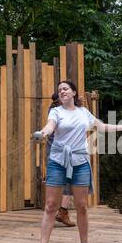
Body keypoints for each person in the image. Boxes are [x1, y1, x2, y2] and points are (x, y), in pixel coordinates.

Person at [31, 80, 122, 243]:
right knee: (50, 206)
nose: (62, 91)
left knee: (81, 206)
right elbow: (50, 126)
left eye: (65, 89)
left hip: (80, 162)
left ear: (73, 92)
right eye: (59, 90)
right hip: (58, 161)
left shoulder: (83, 113)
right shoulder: (56, 112)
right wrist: (43, 132)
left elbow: (102, 127)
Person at [46, 93, 75, 227]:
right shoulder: (56, 112)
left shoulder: (57, 110)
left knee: (65, 182)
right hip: (60, 152)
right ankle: (61, 212)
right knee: (67, 182)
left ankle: (61, 212)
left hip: (60, 151)